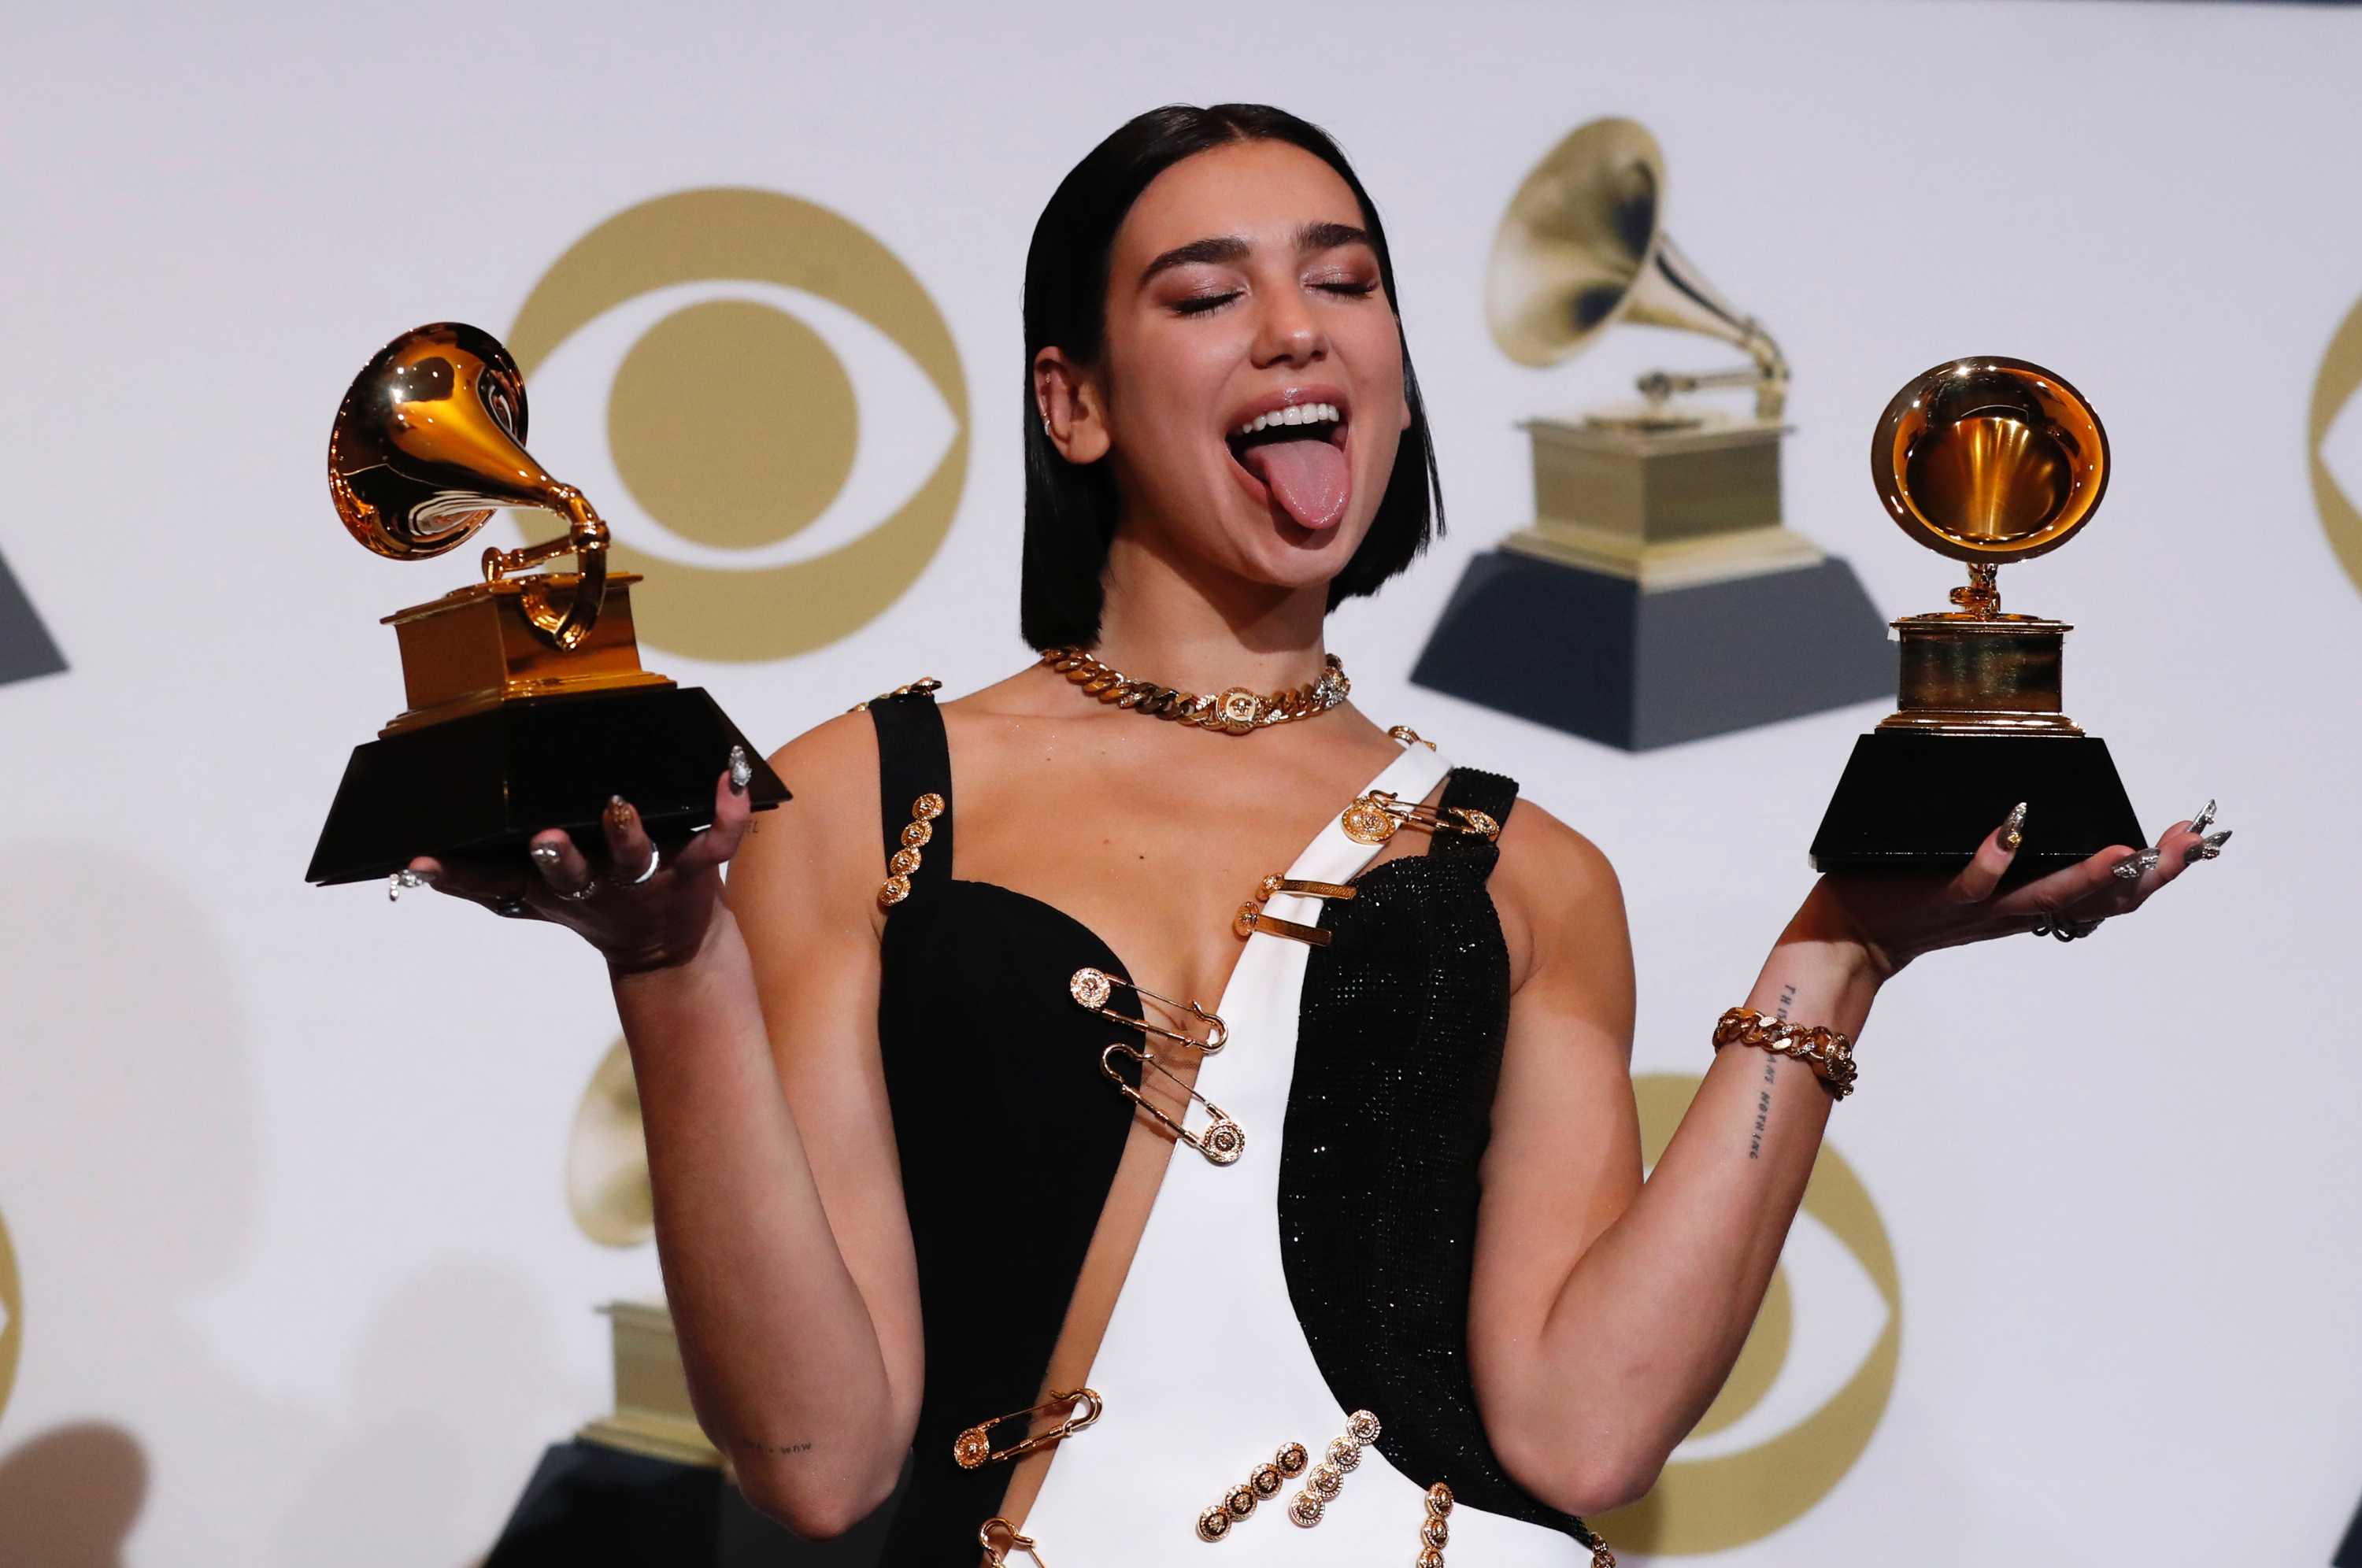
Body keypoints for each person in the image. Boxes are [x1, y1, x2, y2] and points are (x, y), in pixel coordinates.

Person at [405, 104, 2222, 1566]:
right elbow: (818, 1459)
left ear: (1401, 380)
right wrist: (672, 967)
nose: (1296, 327)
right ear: (1072, 402)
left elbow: (1586, 1433)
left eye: (1344, 281)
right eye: (1207, 296)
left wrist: (1847, 948)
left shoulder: (1531, 871)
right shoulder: (867, 796)